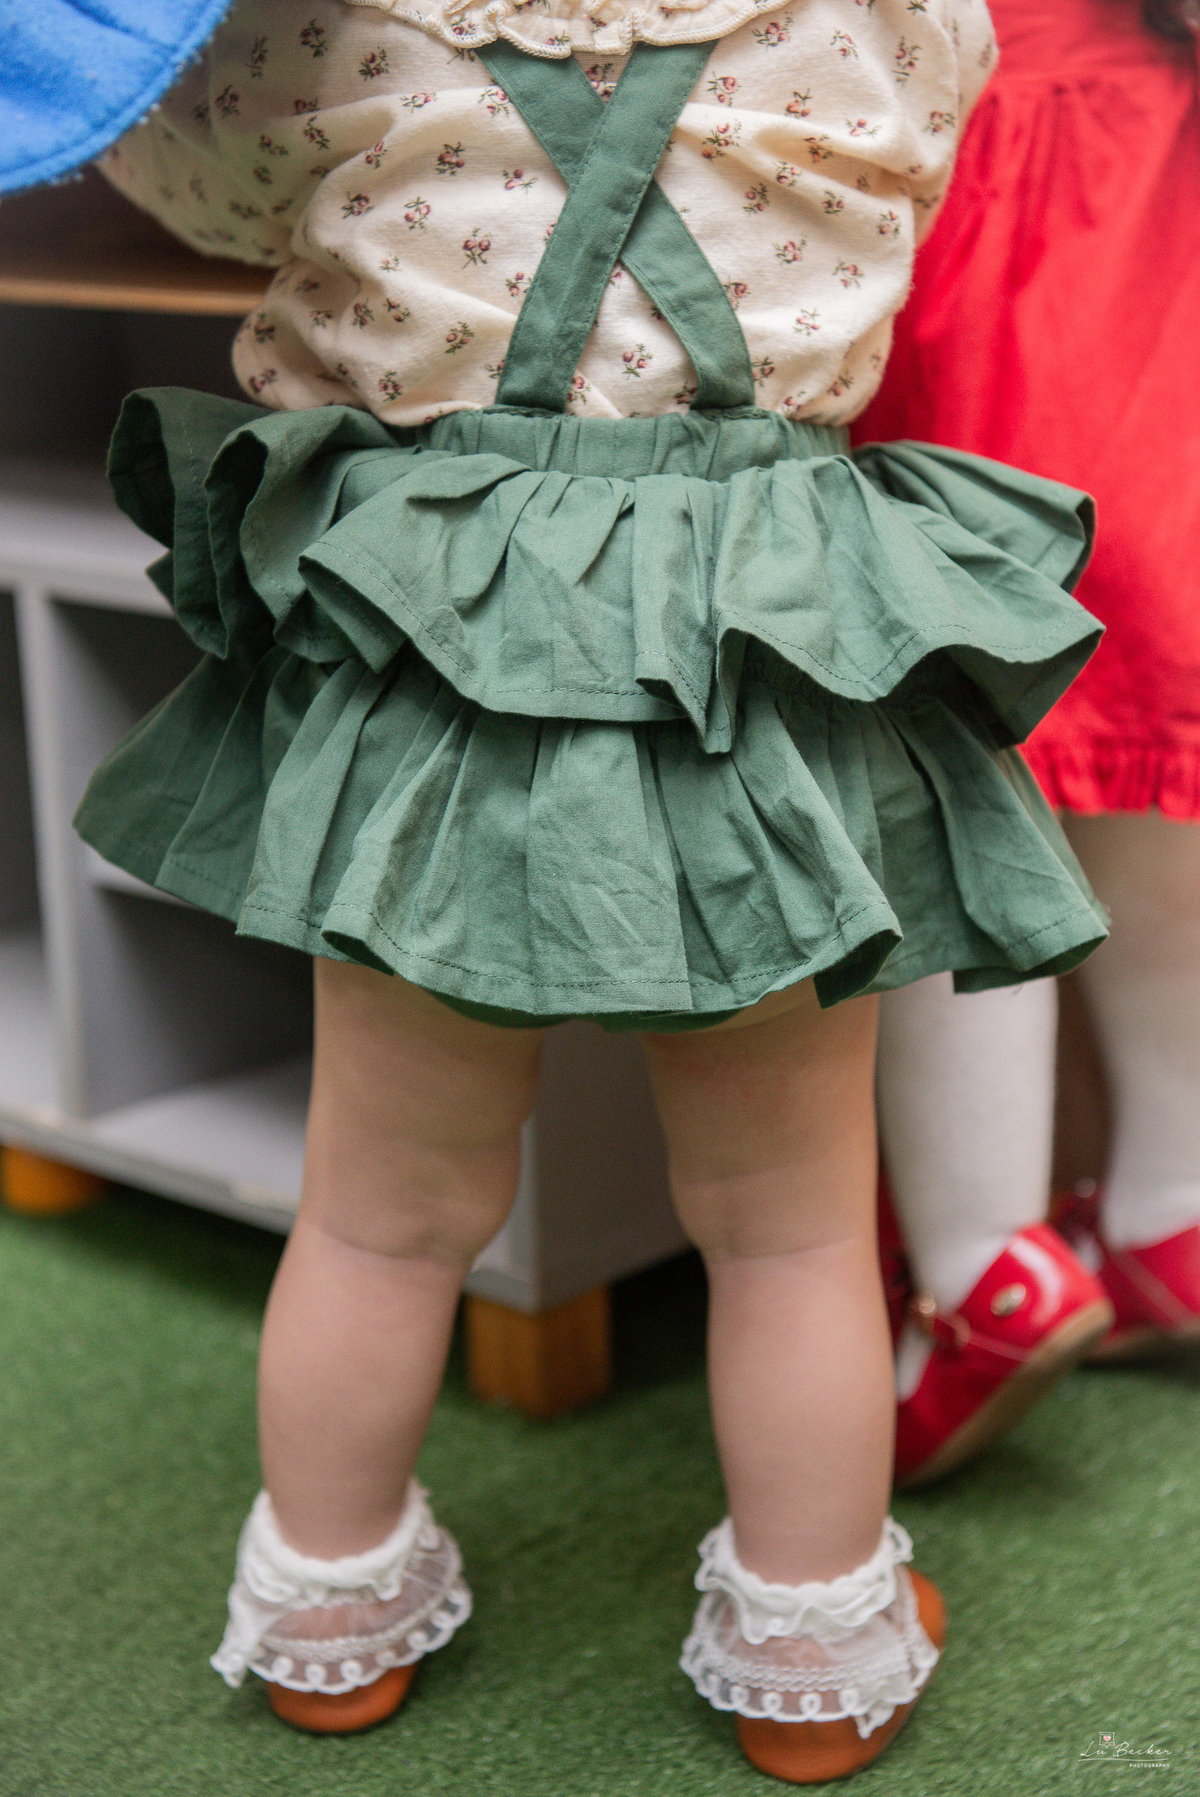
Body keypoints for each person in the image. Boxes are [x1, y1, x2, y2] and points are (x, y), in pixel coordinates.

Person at [71, 0, 1108, 1781]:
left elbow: (178, 174)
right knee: (788, 1224)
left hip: (429, 645)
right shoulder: (891, 22)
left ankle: (328, 1615)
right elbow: (924, 171)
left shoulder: (314, 29)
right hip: (757, 644)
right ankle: (812, 1644)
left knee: (381, 1212)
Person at [857, 0, 1200, 1488]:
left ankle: (981, 1262)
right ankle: (1173, 1202)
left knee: (949, 722)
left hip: (962, 140)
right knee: (1131, 679)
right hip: (1142, 150)